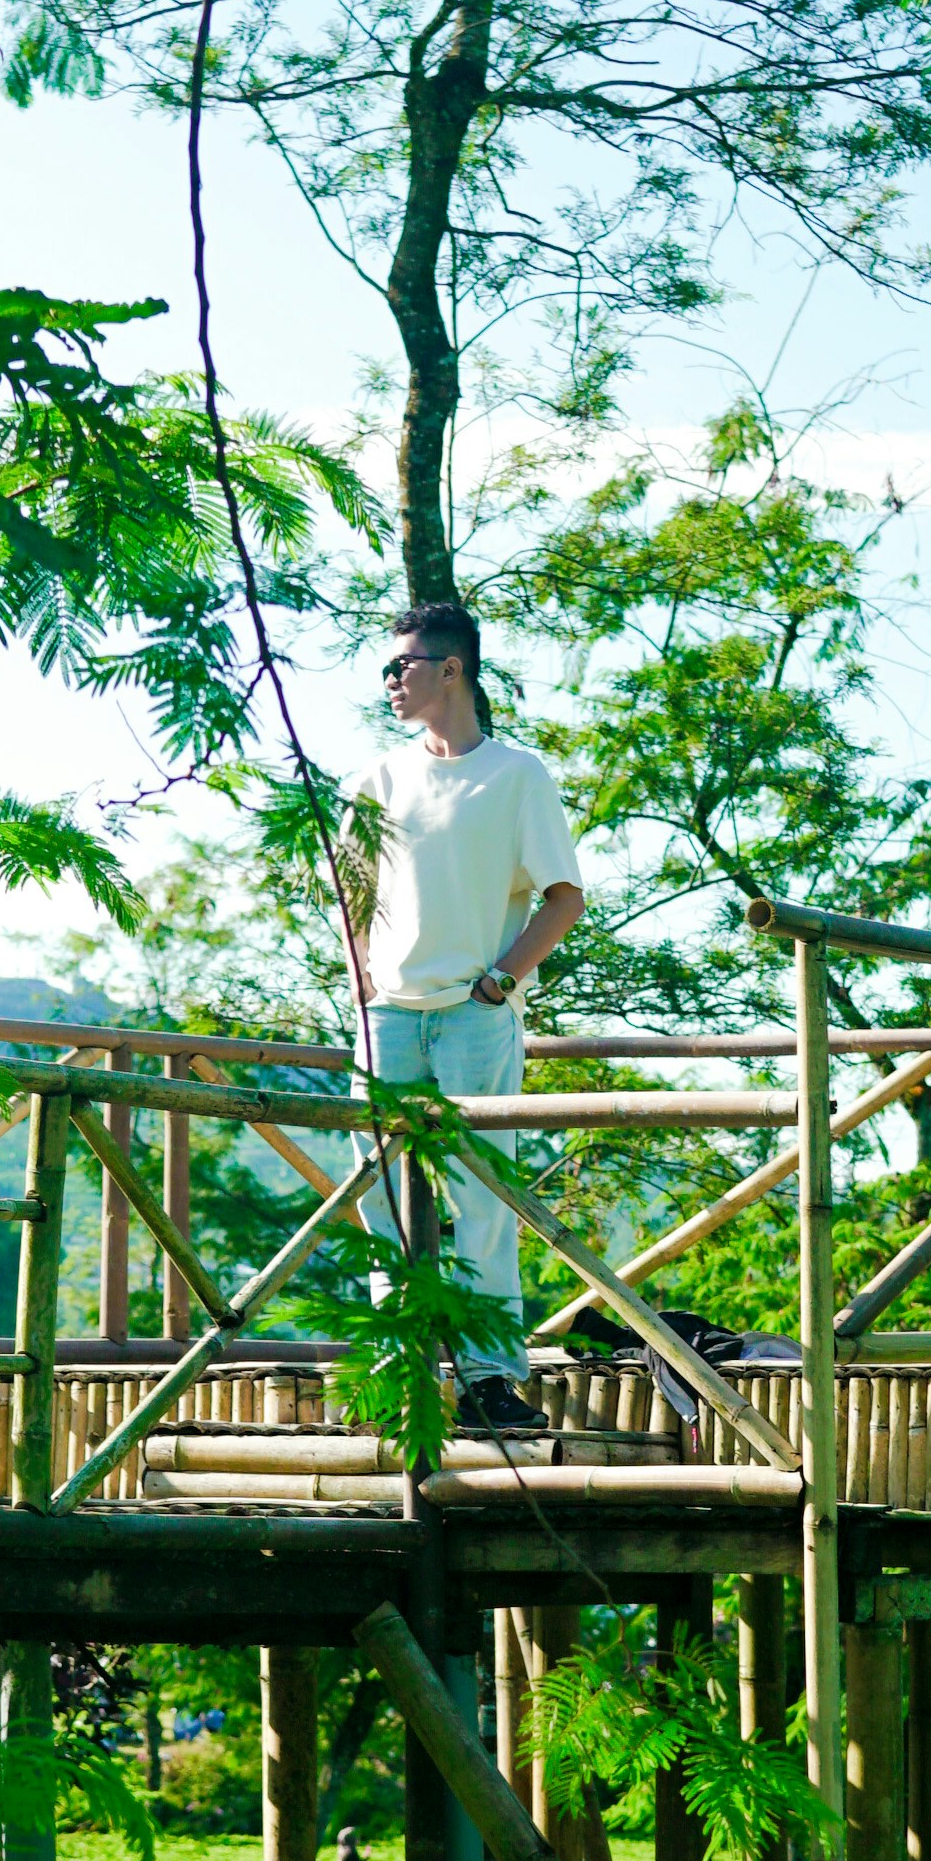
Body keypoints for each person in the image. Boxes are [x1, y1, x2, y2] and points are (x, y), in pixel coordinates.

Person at [341, 600, 585, 1435]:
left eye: (401, 666)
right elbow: (348, 892)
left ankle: (488, 1382)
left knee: (483, 1201)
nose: (389, 682)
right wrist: (363, 988)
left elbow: (565, 897)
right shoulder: (377, 777)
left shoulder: (518, 775)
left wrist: (501, 983)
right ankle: (396, 1374)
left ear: (453, 670)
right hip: (390, 1019)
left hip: (475, 1017)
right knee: (382, 1201)